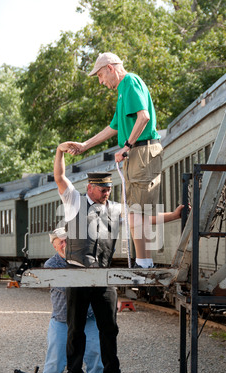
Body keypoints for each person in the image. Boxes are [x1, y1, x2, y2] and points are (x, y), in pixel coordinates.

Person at [53, 143, 183, 373]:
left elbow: (144, 218)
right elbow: (59, 176)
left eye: (110, 188)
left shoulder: (115, 209)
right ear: (90, 188)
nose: (107, 193)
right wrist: (60, 151)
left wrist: (174, 216)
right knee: (75, 328)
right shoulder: (73, 201)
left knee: (109, 328)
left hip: (104, 276)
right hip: (77, 274)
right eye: (103, 189)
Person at [64, 52, 163, 269]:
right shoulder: (122, 92)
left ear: (110, 68)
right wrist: (85, 145)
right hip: (136, 152)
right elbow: (113, 127)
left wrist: (127, 146)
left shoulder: (129, 82)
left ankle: (144, 263)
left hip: (142, 151)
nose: (101, 82)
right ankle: (143, 261)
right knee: (136, 208)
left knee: (138, 209)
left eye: (100, 75)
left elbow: (143, 116)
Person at [39, 227, 109, 373]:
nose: (64, 244)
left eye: (66, 240)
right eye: (59, 242)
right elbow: (70, 288)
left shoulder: (86, 261)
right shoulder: (51, 265)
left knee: (95, 357)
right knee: (55, 361)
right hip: (62, 321)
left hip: (88, 319)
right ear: (55, 247)